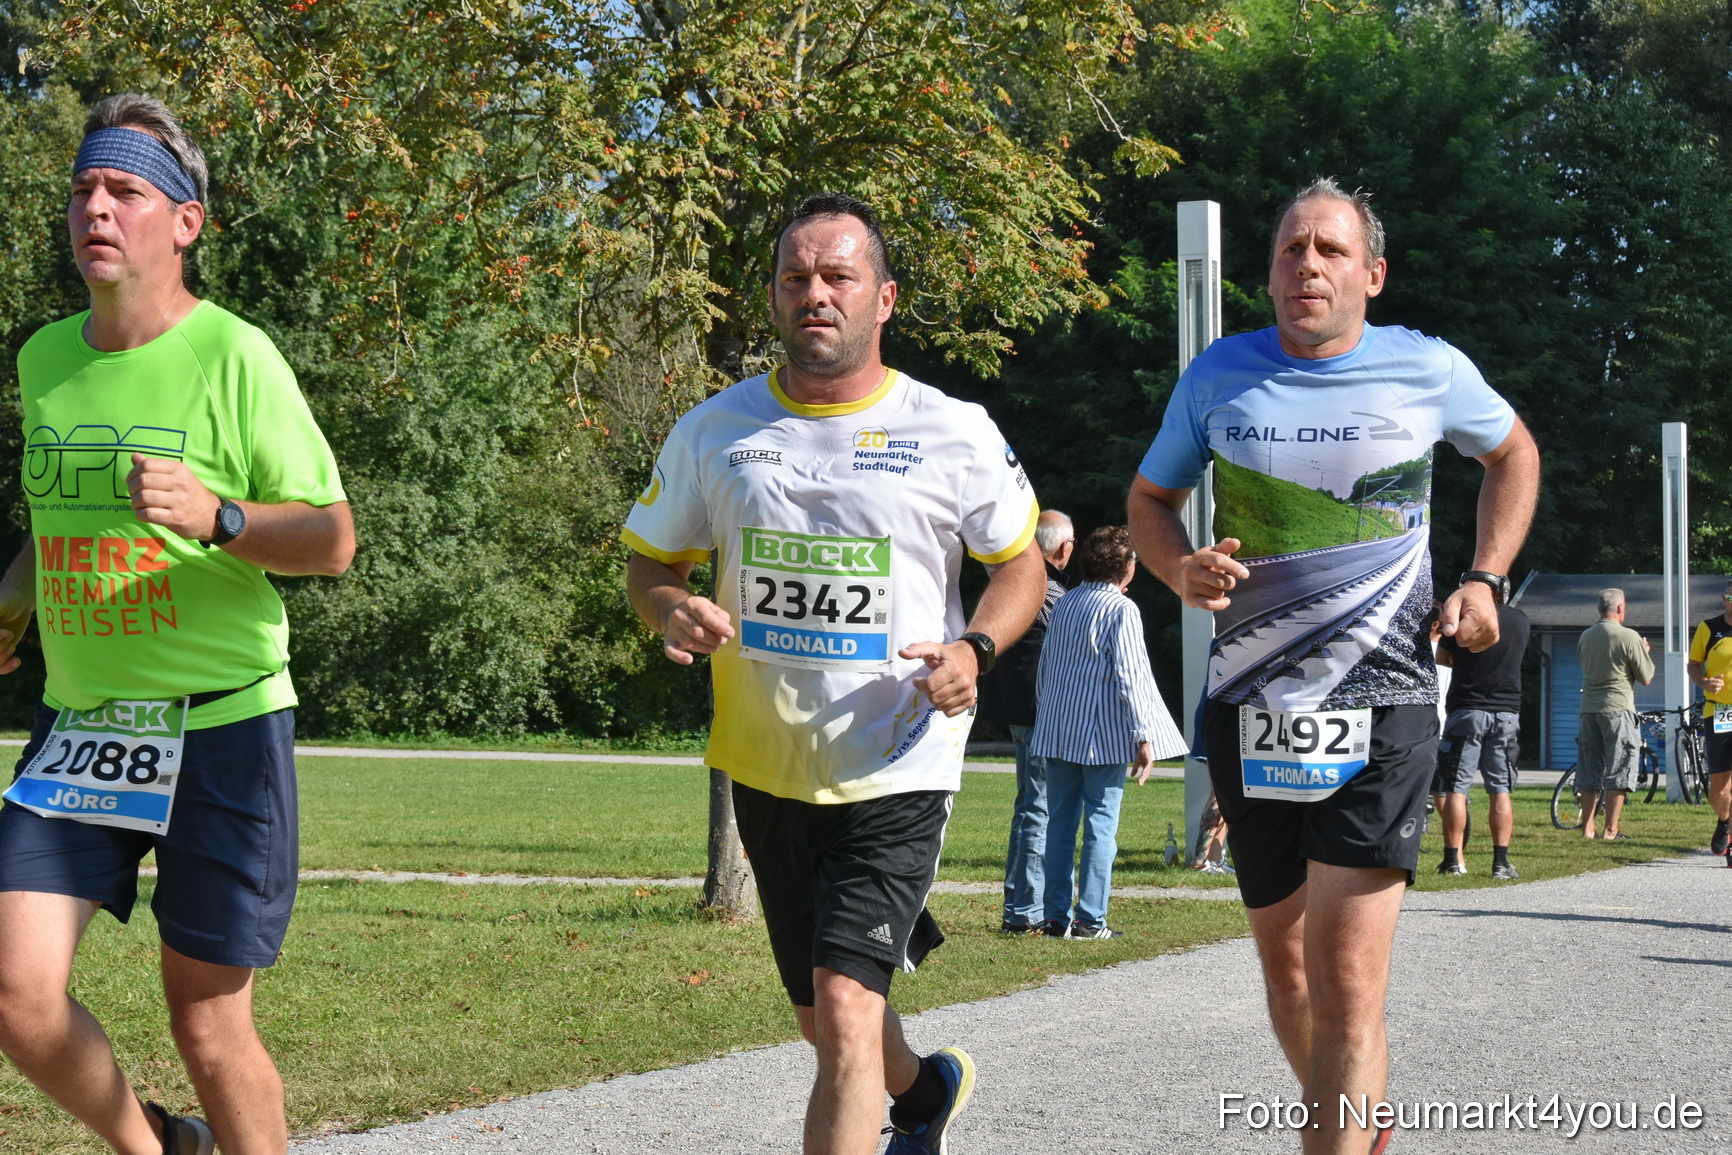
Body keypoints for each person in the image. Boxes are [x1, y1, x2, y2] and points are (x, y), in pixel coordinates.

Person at [621, 193, 1045, 1155]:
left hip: (900, 761)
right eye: (795, 277)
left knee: (847, 1012)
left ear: (883, 298)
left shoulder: (951, 428)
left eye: (838, 276)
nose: (815, 293)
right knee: (825, 1017)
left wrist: (973, 649)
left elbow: (1020, 564)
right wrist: (667, 609)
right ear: (773, 297)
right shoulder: (714, 430)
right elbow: (652, 564)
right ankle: (926, 1091)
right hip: (765, 764)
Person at [1127, 177, 1539, 1155]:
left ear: (1372, 274)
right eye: (1288, 250)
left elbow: (1512, 454)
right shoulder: (1219, 375)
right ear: (1268, 274)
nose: (1306, 264)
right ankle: (1358, 1122)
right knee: (1290, 980)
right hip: (1249, 708)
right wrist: (1175, 563)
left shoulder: (1427, 369)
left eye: (1329, 250)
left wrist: (1483, 577)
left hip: (1384, 704)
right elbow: (1149, 499)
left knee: (1348, 981)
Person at [0, 95, 354, 1155]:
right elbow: (61, 516)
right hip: (87, 720)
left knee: (207, 1022)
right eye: (82, 191)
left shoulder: (237, 358)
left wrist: (222, 516)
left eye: (124, 191)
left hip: (221, 724)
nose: (95, 210)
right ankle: (159, 1149)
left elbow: (332, 538)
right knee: (17, 991)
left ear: (186, 221)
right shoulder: (45, 360)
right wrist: (15, 597)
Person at [1029, 525, 1186, 938]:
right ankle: (1090, 919)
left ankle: (1055, 916)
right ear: (1128, 568)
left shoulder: (1064, 604)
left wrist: (1047, 714)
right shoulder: (1121, 610)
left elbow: (1046, 667)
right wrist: (1144, 735)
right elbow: (1131, 676)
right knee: (1101, 824)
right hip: (1103, 734)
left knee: (1059, 823)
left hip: (1059, 727)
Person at [976, 509, 1073, 934]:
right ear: (1064, 549)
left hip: (1016, 709)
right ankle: (1025, 909)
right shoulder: (1048, 591)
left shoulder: (1010, 583)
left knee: (1028, 808)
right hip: (1041, 713)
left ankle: (1018, 903)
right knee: (1039, 810)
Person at [1434, 603, 1531, 878]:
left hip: (1467, 709)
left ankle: (1453, 860)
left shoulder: (1464, 617)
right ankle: (1501, 863)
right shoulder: (1521, 620)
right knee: (1500, 788)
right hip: (1507, 712)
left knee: (1456, 788)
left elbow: (1442, 656)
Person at [1576, 587, 1654, 842]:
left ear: (1599, 609)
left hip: (1589, 709)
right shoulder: (1629, 636)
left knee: (1589, 768)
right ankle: (1610, 830)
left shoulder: (1585, 637)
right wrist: (1644, 651)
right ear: (1620, 608)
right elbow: (1646, 677)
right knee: (1619, 769)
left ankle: (1588, 827)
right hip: (1618, 709)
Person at [1686, 580, 1732, 856]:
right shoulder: (1709, 628)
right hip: (1719, 712)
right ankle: (1724, 821)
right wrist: (1704, 683)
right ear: (1724, 598)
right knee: (1719, 786)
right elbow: (1693, 665)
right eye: (1730, 596)